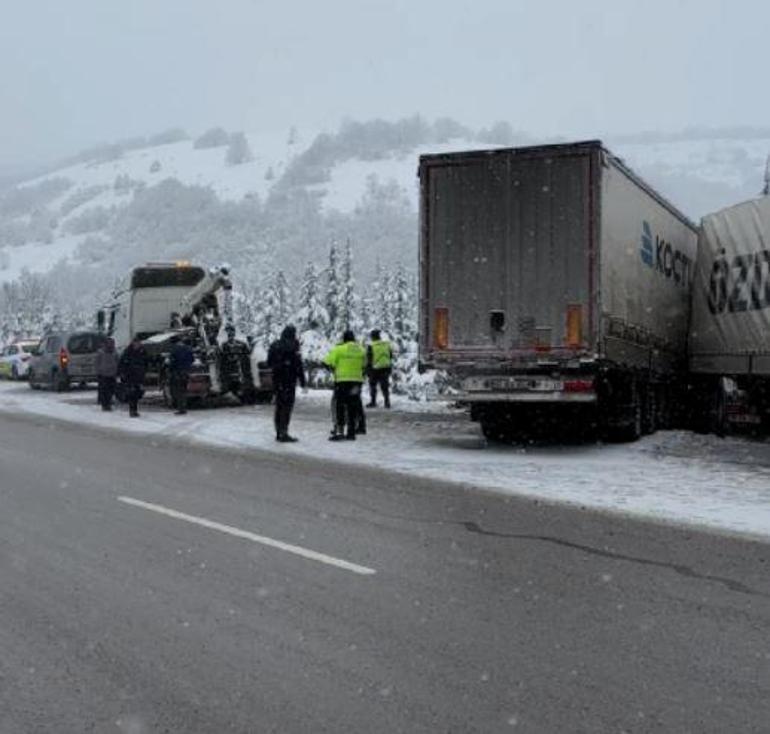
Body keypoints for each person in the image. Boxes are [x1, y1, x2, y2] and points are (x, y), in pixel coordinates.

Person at [323, 330, 366, 441]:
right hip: (356, 382)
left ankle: (339, 431)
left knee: (340, 406)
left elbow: (326, 362)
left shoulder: (339, 349)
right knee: (353, 407)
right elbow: (365, 364)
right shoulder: (361, 350)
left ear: (344, 339)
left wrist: (333, 369)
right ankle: (351, 433)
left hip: (342, 382)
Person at [267, 325, 306, 442]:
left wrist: (278, 366)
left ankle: (279, 431)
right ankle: (284, 431)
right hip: (290, 380)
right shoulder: (294, 345)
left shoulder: (275, 345)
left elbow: (269, 362)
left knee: (279, 406)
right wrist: (302, 380)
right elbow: (298, 364)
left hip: (277, 379)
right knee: (287, 407)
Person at [118, 336, 147, 418]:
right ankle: (132, 410)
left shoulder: (142, 351)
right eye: (136, 343)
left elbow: (145, 361)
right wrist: (122, 373)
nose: (138, 344)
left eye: (139, 343)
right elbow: (122, 363)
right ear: (133, 343)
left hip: (139, 376)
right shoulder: (127, 352)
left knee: (138, 393)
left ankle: (135, 409)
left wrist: (144, 371)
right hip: (130, 376)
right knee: (132, 393)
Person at [366, 329, 393, 408]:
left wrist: (368, 370)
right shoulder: (386, 344)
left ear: (373, 337)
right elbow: (390, 355)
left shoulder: (371, 346)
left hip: (375, 368)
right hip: (386, 367)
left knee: (373, 385)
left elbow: (369, 359)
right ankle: (387, 402)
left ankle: (373, 401)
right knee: (385, 386)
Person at [168, 337, 194, 415]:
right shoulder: (188, 348)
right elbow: (192, 359)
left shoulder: (174, 350)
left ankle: (181, 409)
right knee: (184, 390)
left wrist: (171, 369)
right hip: (186, 371)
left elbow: (172, 362)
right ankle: (184, 407)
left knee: (178, 391)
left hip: (177, 372)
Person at [95, 337, 119, 411]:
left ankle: (108, 402)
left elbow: (117, 361)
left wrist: (117, 371)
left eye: (111, 343)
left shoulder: (115, 352)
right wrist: (98, 371)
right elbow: (97, 362)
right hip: (103, 374)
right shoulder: (100, 352)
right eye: (108, 343)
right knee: (104, 390)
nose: (110, 344)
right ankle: (105, 404)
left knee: (111, 389)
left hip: (112, 374)